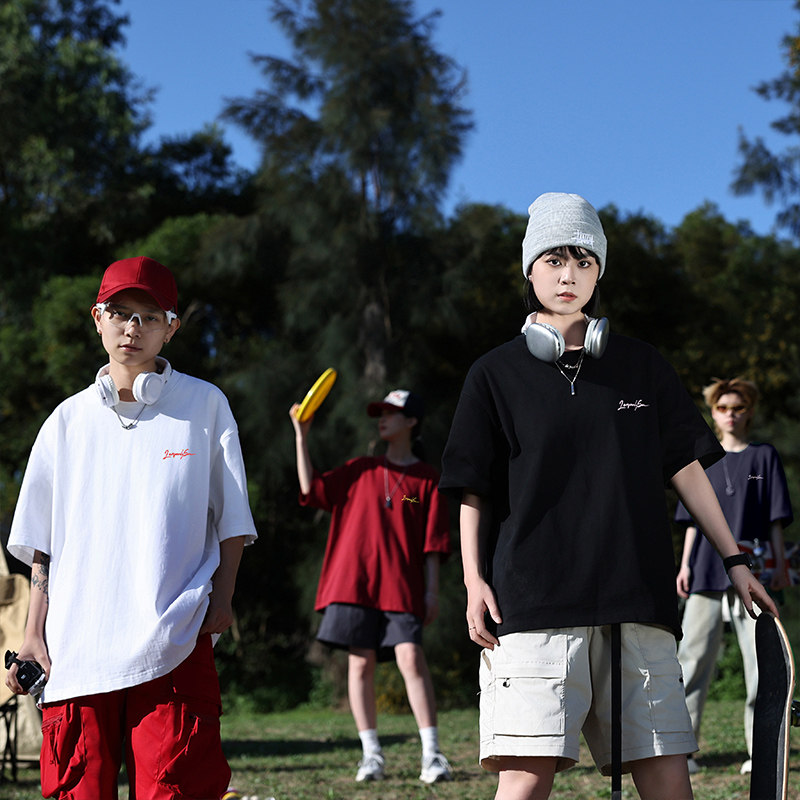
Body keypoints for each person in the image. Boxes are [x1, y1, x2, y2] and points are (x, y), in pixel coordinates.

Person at [438, 192, 778, 800]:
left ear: (599, 272)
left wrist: (735, 560)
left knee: (666, 771)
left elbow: (687, 469)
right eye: (554, 260)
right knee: (524, 779)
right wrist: (473, 580)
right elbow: (474, 488)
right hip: (533, 604)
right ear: (529, 270)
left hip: (637, 600)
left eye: (584, 261)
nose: (568, 276)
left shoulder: (642, 366)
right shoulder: (493, 374)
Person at [4, 256, 257, 799]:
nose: (132, 328)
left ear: (171, 328)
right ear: (97, 318)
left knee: (176, 789)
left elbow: (232, 518)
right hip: (77, 646)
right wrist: (32, 636)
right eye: (120, 313)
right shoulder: (66, 421)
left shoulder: (205, 405)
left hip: (174, 636)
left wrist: (224, 596)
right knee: (79, 789)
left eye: (149, 316)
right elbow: (42, 543)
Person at [289, 389, 453, 784]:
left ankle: (432, 755)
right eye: (380, 412)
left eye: (391, 413)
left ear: (411, 422)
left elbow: (434, 544)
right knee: (359, 663)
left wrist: (431, 592)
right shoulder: (360, 468)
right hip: (353, 584)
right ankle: (371, 756)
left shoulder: (427, 479)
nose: (382, 418)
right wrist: (301, 436)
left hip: (402, 586)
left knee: (410, 657)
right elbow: (312, 489)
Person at [675, 377, 792, 775]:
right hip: (705, 571)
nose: (730, 414)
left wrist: (780, 565)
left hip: (754, 571)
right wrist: (685, 565)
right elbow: (693, 520)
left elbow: (775, 519)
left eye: (738, 407)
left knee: (759, 665)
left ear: (750, 411)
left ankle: (760, 752)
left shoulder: (764, 456)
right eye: (723, 407)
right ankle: (683, 751)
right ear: (713, 412)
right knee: (691, 661)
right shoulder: (700, 457)